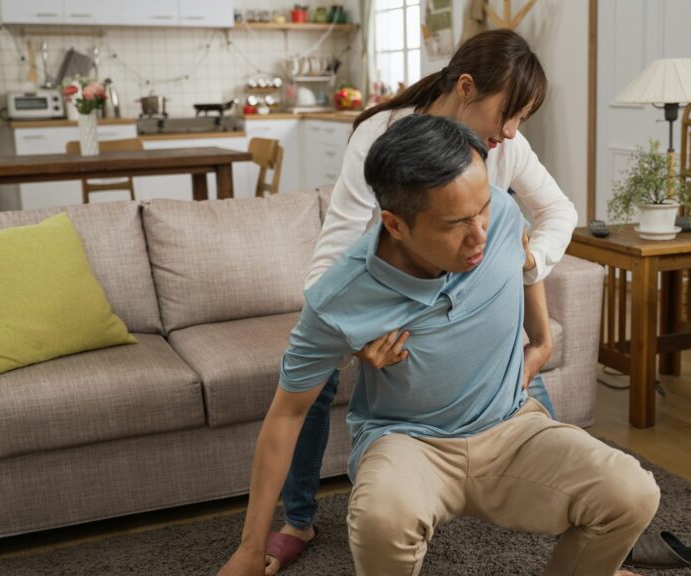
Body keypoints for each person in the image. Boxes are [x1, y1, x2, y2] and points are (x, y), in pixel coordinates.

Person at [218, 114, 658, 576]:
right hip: (408, 442)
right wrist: (250, 549)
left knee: (631, 492)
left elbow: (522, 258)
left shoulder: (501, 218)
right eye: (455, 224)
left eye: (483, 209)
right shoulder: (338, 299)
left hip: (511, 429)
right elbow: (287, 414)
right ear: (395, 224)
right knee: (380, 520)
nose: (480, 236)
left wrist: (542, 341)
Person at [268, 28, 578, 572]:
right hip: (385, 297)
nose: (510, 131)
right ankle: (298, 517)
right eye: (507, 114)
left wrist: (527, 264)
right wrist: (357, 334)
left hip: (467, 290)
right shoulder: (380, 136)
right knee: (310, 383)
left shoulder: (507, 148)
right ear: (465, 87)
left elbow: (560, 214)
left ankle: (578, 508)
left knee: (516, 369)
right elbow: (334, 251)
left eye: (522, 119)